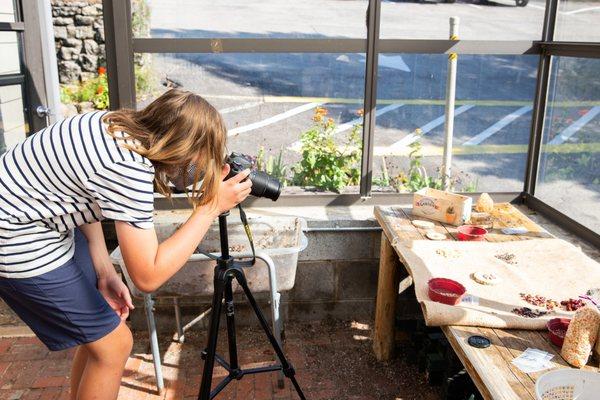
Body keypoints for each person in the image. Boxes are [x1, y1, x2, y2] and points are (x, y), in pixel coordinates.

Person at [0, 89, 252, 399]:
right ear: (185, 148)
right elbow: (147, 276)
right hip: (14, 237)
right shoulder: (129, 166)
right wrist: (210, 208)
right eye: (204, 155)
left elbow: (84, 191)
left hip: (35, 219)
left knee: (99, 341)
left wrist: (104, 269)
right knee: (113, 345)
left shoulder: (113, 125)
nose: (202, 166)